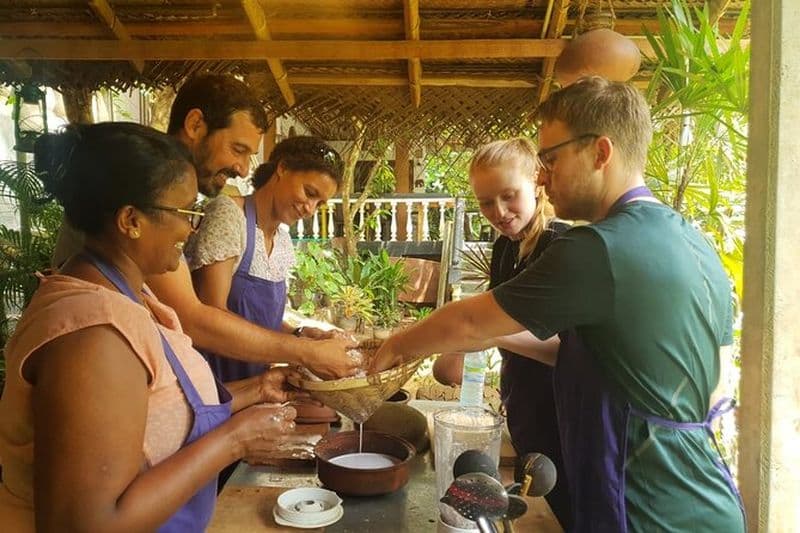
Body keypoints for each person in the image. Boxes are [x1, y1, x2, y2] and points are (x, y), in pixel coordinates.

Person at [372, 77, 744, 532]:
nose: (543, 176)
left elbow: (471, 321)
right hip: (703, 492)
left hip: (648, 507)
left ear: (600, 153)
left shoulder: (597, 248)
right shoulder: (690, 239)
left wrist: (394, 346)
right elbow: (716, 386)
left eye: (551, 159)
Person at [0, 122, 301, 532]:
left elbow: (160, 414)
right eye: (184, 213)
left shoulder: (133, 298)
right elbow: (88, 524)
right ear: (131, 220)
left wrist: (254, 392)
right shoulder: (95, 335)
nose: (191, 229)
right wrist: (233, 440)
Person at [50, 74, 359, 380]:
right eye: (238, 149)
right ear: (195, 124)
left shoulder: (165, 197)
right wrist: (306, 351)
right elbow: (192, 318)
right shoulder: (142, 188)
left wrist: (299, 338)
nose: (242, 169)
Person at [432, 138, 572, 528]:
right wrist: (463, 342)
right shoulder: (506, 249)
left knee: (557, 510)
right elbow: (494, 319)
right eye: (486, 203)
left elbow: (563, 349)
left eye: (509, 196)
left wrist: (483, 333)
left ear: (537, 184)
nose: (499, 211)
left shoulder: (559, 246)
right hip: (523, 403)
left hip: (561, 413)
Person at [186, 136, 343, 383]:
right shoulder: (229, 216)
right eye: (309, 193)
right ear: (283, 168)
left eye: (319, 203)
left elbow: (259, 318)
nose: (310, 209)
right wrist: (303, 352)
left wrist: (300, 333)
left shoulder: (282, 240)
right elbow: (210, 317)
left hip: (255, 385)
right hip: (213, 383)